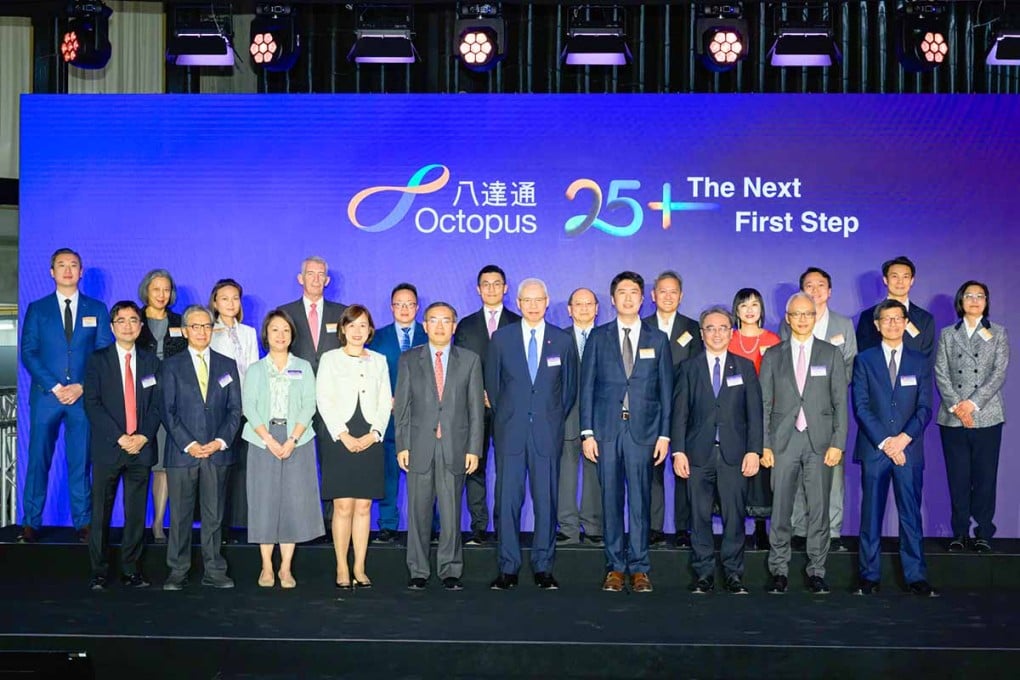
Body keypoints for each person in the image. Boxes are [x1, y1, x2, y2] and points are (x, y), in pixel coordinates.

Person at [580, 271, 672, 593]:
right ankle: (615, 567)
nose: (629, 298)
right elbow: (587, 386)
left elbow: (665, 391)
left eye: (634, 292)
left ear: (643, 298)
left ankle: (640, 568)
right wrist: (587, 432)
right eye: (622, 292)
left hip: (643, 432)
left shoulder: (657, 338)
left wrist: (664, 435)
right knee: (611, 500)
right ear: (613, 299)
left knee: (640, 501)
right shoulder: (598, 336)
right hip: (606, 431)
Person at [486, 278, 577, 590]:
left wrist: (548, 418)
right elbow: (494, 388)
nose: (534, 305)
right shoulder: (501, 338)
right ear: (519, 303)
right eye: (528, 300)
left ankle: (543, 567)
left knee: (546, 502)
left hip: (546, 433)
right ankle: (508, 568)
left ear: (547, 301)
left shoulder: (562, 341)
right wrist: (511, 416)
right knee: (508, 502)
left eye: (539, 300)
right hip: (510, 432)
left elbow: (568, 391)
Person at [20, 247, 113, 543]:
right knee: (37, 459)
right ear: (51, 272)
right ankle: (31, 522)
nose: (68, 270)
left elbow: (103, 352)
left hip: (83, 398)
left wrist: (83, 386)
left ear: (81, 271)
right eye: (61, 265)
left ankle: (83, 522)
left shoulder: (96, 308)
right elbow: (29, 352)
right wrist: (57, 387)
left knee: (80, 460)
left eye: (74, 265)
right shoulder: (38, 308)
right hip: (47, 396)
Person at [760, 292, 848, 595]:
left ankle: (816, 570)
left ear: (815, 317)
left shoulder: (831, 353)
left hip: (820, 442)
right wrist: (765, 445)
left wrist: (838, 442)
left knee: (819, 509)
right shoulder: (773, 355)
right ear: (787, 318)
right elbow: (764, 405)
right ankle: (779, 569)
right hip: (783, 442)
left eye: (807, 314)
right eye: (795, 314)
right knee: (781, 508)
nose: (801, 319)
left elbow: (840, 402)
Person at [672, 307, 762, 595]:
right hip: (697, 455)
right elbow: (679, 414)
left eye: (723, 327)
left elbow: (755, 415)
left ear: (731, 331)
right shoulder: (689, 368)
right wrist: (679, 451)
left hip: (735, 455)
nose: (717, 333)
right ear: (702, 333)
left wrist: (754, 451)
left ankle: (734, 575)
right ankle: (703, 575)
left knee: (734, 518)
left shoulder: (745, 367)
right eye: (710, 328)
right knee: (698, 518)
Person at [395, 302, 484, 591]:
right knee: (418, 512)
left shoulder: (469, 360)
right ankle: (418, 570)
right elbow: (403, 408)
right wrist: (402, 445)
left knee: (451, 513)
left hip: (455, 447)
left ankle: (450, 570)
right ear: (425, 325)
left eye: (446, 321)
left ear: (454, 326)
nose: (440, 326)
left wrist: (474, 448)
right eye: (434, 320)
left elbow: (475, 410)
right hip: (419, 446)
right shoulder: (409, 359)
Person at [852, 300, 937, 597]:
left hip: (908, 450)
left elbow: (925, 407)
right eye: (886, 319)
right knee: (870, 516)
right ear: (877, 325)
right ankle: (868, 577)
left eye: (897, 318)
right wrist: (887, 442)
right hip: (876, 450)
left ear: (905, 322)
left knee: (910, 516)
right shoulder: (864, 360)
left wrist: (903, 439)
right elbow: (861, 407)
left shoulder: (919, 360)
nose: (892, 324)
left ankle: (915, 577)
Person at [160, 305, 242, 591]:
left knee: (214, 515)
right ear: (184, 331)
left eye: (206, 326)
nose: (201, 331)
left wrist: (219, 442)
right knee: (180, 516)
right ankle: (177, 571)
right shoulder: (170, 365)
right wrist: (191, 444)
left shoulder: (227, 364)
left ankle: (215, 570)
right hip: (183, 453)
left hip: (218, 453)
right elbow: (167, 411)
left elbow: (235, 410)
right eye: (195, 326)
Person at [242, 309, 324, 589]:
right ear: (266, 334)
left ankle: (286, 567)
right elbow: (249, 406)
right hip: (261, 438)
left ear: (292, 335)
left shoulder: (302, 366)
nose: (280, 335)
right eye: (275, 330)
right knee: (264, 501)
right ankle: (266, 566)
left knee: (293, 503)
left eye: (286, 331)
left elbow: (308, 405)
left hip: (297, 439)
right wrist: (269, 439)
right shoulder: (255, 369)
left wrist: (291, 440)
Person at [83, 301, 162, 590]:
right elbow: (92, 404)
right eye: (121, 320)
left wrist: (143, 436)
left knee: (136, 513)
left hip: (141, 448)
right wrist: (120, 437)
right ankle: (99, 572)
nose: (128, 325)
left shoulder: (152, 362)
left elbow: (157, 405)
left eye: (133, 320)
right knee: (101, 513)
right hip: (109, 448)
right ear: (112, 326)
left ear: (141, 326)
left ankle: (131, 571)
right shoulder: (97, 360)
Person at [781, 267, 858, 553]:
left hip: (827, 412)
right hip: (795, 414)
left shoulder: (844, 324)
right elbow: (782, 365)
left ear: (830, 291)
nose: (815, 290)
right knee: (799, 475)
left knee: (832, 475)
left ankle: (833, 532)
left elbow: (850, 364)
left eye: (821, 285)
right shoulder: (788, 321)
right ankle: (800, 529)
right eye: (809, 285)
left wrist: (828, 391)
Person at [316, 305, 392, 589]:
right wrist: (342, 434)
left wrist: (375, 433)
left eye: (363, 325)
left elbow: (386, 401)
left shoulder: (379, 360)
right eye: (352, 325)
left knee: (363, 506)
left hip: (370, 436)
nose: (358, 331)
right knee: (343, 505)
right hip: (340, 437)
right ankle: (341, 566)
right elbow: (323, 399)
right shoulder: (330, 359)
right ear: (343, 329)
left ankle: (359, 566)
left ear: (370, 329)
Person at [935, 281, 1010, 553]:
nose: (975, 300)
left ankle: (984, 532)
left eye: (980, 296)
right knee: (958, 477)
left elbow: (998, 373)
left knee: (985, 477)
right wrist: (958, 406)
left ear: (987, 301)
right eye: (969, 296)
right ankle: (959, 532)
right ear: (961, 301)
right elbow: (940, 373)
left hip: (987, 415)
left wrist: (973, 405)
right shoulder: (946, 334)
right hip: (953, 418)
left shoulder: (998, 333)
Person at [453, 264, 521, 545]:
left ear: (505, 288)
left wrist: (499, 393)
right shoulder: (466, 325)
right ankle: (479, 526)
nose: (491, 288)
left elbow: (523, 368)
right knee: (475, 467)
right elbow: (458, 367)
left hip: (510, 408)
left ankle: (506, 526)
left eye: (497, 284)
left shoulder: (519, 323)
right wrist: (477, 392)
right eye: (486, 284)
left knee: (508, 468)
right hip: (473, 408)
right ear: (478, 289)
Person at [641, 270, 702, 549]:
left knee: (683, 469)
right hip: (649, 410)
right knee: (651, 470)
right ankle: (653, 527)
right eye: (662, 291)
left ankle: (682, 528)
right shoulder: (641, 327)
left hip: (684, 410)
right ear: (653, 296)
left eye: (673, 291)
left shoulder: (693, 329)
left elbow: (699, 371)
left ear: (681, 295)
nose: (668, 296)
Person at [367, 283, 427, 544]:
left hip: (425, 418)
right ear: (391, 307)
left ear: (417, 307)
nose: (404, 309)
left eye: (410, 304)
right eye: (399, 304)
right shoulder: (377, 338)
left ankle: (428, 526)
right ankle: (388, 524)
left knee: (426, 476)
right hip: (388, 418)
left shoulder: (431, 334)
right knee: (389, 473)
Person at [135, 268, 188, 544]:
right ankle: (134, 526)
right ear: (147, 290)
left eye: (166, 289)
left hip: (170, 400)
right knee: (137, 465)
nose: (161, 295)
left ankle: (157, 524)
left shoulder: (181, 322)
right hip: (138, 401)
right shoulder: (134, 319)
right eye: (156, 289)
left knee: (163, 467)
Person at [728, 288, 781, 549]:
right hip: (732, 414)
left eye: (755, 305)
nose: (750, 310)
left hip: (764, 414)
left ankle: (761, 526)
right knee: (734, 470)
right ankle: (734, 525)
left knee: (761, 471)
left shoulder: (773, 339)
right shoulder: (727, 338)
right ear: (736, 310)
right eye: (744, 305)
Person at [209, 278, 260, 535]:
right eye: (224, 298)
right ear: (215, 302)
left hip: (246, 407)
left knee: (244, 467)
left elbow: (253, 369)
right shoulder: (209, 331)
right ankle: (221, 527)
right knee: (221, 468)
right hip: (219, 406)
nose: (230, 303)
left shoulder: (249, 332)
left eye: (235, 298)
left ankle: (245, 522)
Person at [557, 287, 603, 546]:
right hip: (565, 418)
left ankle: (594, 526)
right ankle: (567, 527)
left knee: (595, 475)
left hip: (600, 419)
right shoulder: (556, 338)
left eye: (589, 304)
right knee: (564, 475)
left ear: (597, 308)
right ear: (569, 309)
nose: (584, 308)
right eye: (578, 304)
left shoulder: (608, 337)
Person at [856, 255, 935, 360]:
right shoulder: (867, 317)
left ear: (912, 281)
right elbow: (863, 356)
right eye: (894, 276)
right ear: (885, 280)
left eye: (905, 277)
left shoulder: (925, 319)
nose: (900, 282)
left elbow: (925, 360)